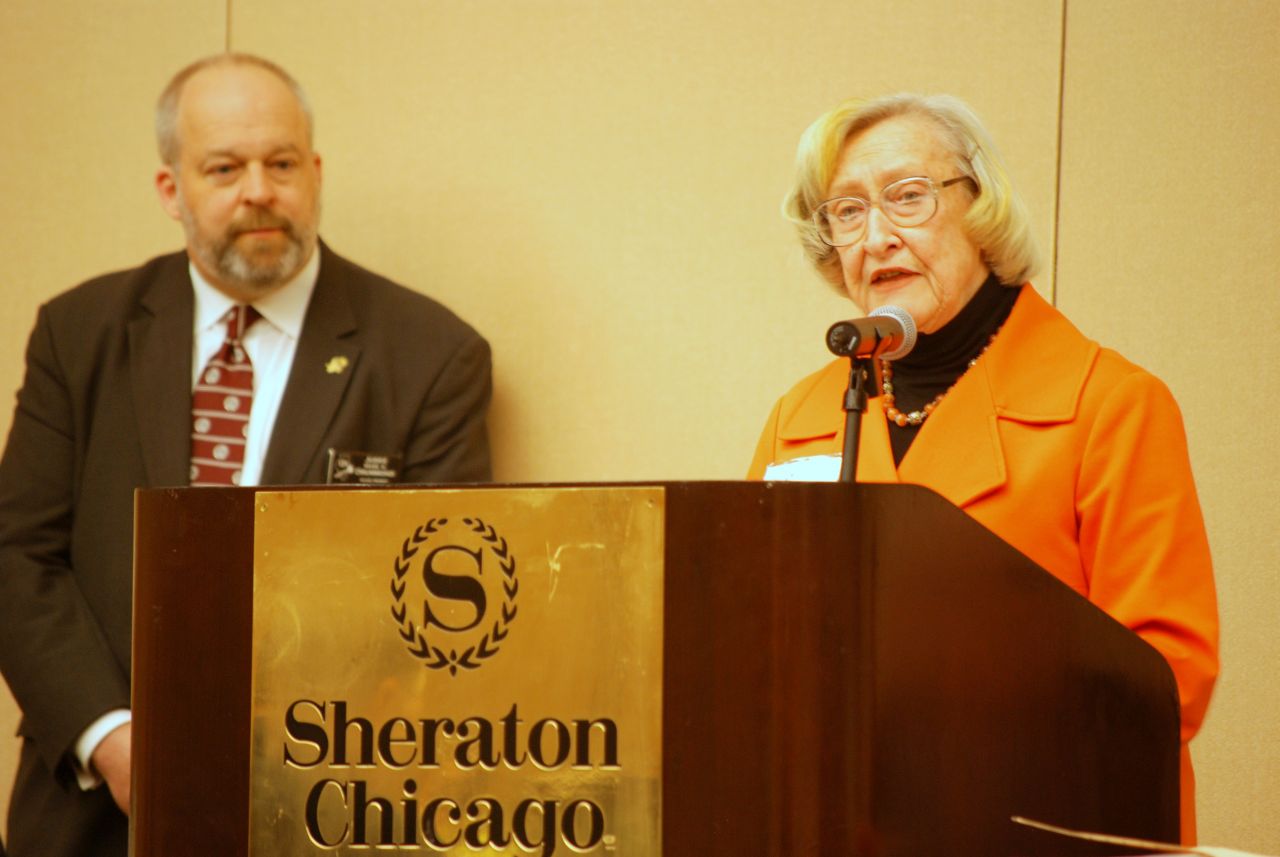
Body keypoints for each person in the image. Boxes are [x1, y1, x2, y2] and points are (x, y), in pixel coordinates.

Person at [0, 54, 492, 856]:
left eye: (281, 163)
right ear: (173, 189)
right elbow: (19, 555)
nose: (258, 190)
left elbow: (442, 616)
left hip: (330, 809)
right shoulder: (79, 333)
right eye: (224, 167)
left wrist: (293, 759)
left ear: (316, 172)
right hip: (92, 816)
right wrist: (112, 739)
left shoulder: (431, 356)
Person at [748, 93, 1218, 843]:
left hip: (1042, 830)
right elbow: (753, 650)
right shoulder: (798, 417)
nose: (877, 236)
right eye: (846, 211)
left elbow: (1166, 681)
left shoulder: (1111, 405)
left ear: (982, 209)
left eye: (908, 197)